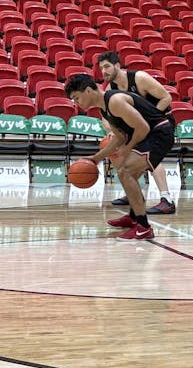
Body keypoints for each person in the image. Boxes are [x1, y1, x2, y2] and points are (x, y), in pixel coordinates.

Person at [64, 74, 175, 241]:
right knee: (127, 173)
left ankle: (143, 227)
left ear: (88, 91)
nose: (76, 103)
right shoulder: (104, 108)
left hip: (159, 133)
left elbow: (143, 128)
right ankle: (133, 217)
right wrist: (96, 158)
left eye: (76, 97)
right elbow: (120, 137)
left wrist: (127, 149)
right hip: (149, 134)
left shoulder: (114, 101)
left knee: (125, 172)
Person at [97, 51, 176, 215]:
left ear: (117, 66)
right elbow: (105, 119)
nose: (104, 71)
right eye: (101, 68)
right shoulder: (111, 89)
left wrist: (150, 120)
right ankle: (133, 192)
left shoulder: (139, 78)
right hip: (140, 126)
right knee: (125, 155)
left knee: (149, 155)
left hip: (162, 122)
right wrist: (113, 131)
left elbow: (166, 98)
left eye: (107, 66)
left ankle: (167, 199)